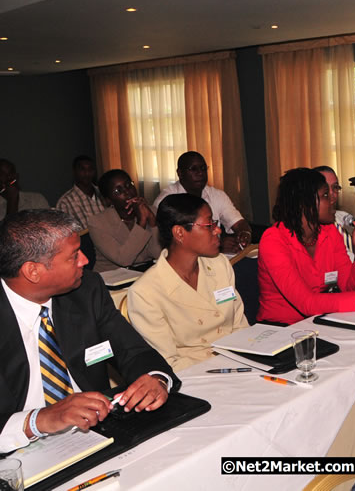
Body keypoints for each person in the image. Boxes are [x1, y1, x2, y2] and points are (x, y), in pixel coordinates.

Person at [0, 209, 177, 454]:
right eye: (74, 256)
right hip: (16, 451)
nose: (85, 260)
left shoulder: (87, 290)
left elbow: (133, 350)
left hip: (96, 435)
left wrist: (156, 378)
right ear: (33, 271)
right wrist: (38, 420)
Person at [257, 168, 355, 325]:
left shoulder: (329, 231)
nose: (332, 199)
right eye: (324, 195)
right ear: (304, 203)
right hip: (281, 330)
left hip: (320, 320)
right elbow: (307, 303)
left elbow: (349, 288)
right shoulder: (273, 240)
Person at [128, 194, 249, 371]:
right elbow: (168, 361)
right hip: (194, 374)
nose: (218, 230)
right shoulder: (145, 292)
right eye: (209, 225)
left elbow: (240, 327)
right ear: (179, 233)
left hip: (238, 361)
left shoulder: (219, 265)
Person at [152, 151, 252, 254]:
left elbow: (239, 223)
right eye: (193, 169)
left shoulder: (216, 195)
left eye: (203, 168)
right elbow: (169, 243)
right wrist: (219, 244)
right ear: (180, 173)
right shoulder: (167, 200)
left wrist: (244, 235)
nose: (200, 173)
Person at [88, 169, 161, 273]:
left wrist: (153, 222)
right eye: (118, 191)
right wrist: (142, 223)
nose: (127, 192)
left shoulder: (152, 211)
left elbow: (158, 254)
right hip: (112, 278)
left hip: (144, 274)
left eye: (128, 185)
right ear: (108, 200)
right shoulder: (97, 223)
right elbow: (124, 259)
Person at [55, 155, 106, 229]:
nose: (87, 173)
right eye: (82, 169)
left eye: (90, 169)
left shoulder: (104, 194)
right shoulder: (65, 203)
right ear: (74, 171)